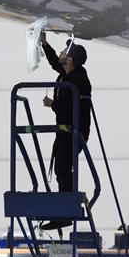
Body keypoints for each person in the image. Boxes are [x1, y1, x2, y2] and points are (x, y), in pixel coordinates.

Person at [40, 32, 92, 230]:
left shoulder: (79, 81)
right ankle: (63, 211)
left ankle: (65, 212)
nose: (61, 53)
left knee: (63, 169)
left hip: (74, 132)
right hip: (64, 131)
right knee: (62, 169)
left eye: (64, 52)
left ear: (70, 59)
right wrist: (45, 44)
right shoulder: (66, 73)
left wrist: (52, 104)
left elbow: (72, 109)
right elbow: (55, 62)